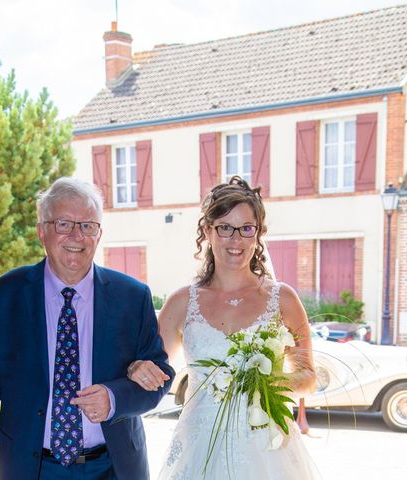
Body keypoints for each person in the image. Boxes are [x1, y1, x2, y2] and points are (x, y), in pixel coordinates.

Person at [0, 177, 175, 480]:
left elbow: (160, 377)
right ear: (41, 231)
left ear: (99, 235)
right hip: (33, 469)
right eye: (63, 224)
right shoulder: (5, 296)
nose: (76, 235)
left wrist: (114, 398)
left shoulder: (131, 297)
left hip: (112, 468)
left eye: (87, 225)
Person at [128, 176, 320, 479]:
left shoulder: (282, 298)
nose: (236, 240)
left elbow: (309, 377)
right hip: (199, 445)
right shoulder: (181, 302)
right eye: (225, 228)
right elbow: (154, 369)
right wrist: (135, 368)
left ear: (257, 234)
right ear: (208, 231)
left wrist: (264, 384)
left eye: (246, 229)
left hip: (266, 449)